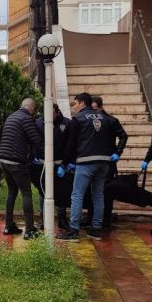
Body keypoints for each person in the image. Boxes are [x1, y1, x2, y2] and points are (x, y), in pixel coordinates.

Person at [57, 93, 126, 241]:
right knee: (98, 195)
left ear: (82, 103)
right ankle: (96, 229)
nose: (74, 107)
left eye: (75, 104)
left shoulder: (78, 119)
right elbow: (115, 136)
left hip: (86, 162)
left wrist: (64, 164)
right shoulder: (106, 119)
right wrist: (116, 153)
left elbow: (71, 144)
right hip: (104, 163)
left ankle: (74, 230)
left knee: (77, 195)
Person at [0, 98, 42, 239]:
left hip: (3, 159)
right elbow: (35, 140)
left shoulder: (12, 116)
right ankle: (29, 230)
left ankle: (8, 226)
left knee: (12, 192)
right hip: (16, 161)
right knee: (26, 193)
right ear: (31, 108)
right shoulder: (27, 118)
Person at [32, 103, 71, 230]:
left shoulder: (66, 123)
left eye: (51, 114)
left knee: (62, 192)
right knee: (43, 192)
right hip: (43, 163)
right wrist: (35, 156)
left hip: (60, 163)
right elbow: (34, 141)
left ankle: (61, 219)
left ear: (57, 112)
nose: (48, 117)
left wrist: (65, 164)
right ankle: (43, 219)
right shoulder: (38, 123)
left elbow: (69, 145)